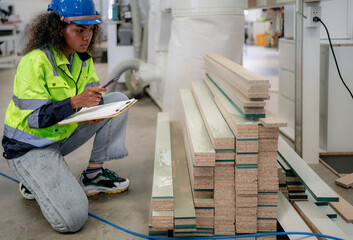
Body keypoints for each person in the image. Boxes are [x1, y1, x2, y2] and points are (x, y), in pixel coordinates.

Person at [2, 0, 130, 233]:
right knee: (73, 219)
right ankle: (33, 180)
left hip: (60, 134)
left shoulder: (83, 58)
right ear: (58, 28)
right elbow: (34, 119)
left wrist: (94, 110)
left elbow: (92, 96)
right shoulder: (35, 62)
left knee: (118, 100)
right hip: (29, 146)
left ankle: (93, 175)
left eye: (91, 30)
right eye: (79, 30)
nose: (87, 37)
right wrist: (74, 103)